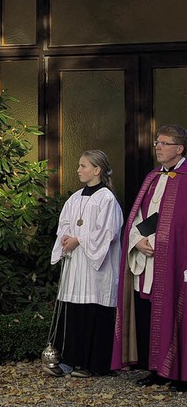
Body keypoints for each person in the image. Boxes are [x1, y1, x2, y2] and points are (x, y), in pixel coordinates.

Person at [112, 124, 187, 391]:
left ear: (179, 148)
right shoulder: (152, 177)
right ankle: (156, 370)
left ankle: (181, 375)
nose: (158, 147)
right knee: (152, 311)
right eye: (157, 142)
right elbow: (139, 217)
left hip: (179, 261)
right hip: (150, 258)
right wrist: (138, 242)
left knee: (179, 314)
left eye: (164, 143)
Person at [46, 150, 123, 377]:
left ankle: (93, 364)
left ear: (97, 170)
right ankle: (69, 360)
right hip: (76, 264)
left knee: (92, 311)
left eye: (83, 166)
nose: (78, 170)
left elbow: (107, 233)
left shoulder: (107, 199)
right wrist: (66, 239)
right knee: (73, 312)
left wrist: (78, 240)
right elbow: (65, 223)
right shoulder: (75, 197)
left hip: (96, 268)